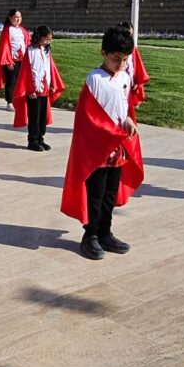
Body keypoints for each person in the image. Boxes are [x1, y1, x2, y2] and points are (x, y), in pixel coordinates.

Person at [61, 25, 144, 260]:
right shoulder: (94, 79)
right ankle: (90, 236)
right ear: (103, 53)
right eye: (116, 59)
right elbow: (89, 116)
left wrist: (127, 121)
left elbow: (123, 108)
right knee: (95, 194)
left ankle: (106, 232)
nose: (121, 64)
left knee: (110, 193)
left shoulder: (125, 78)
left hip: (117, 147)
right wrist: (109, 133)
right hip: (97, 149)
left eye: (125, 60)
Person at [12, 25, 65, 151]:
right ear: (39, 37)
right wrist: (30, 90)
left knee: (42, 115)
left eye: (50, 40)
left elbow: (49, 69)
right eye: (46, 39)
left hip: (45, 88)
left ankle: (40, 138)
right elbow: (26, 72)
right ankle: (32, 140)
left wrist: (52, 84)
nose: (48, 42)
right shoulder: (30, 51)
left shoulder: (46, 51)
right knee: (34, 116)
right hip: (34, 90)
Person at [0, 9, 31, 111]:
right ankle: (9, 102)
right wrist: (8, 61)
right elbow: (4, 47)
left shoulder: (23, 30)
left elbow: (28, 44)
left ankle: (18, 99)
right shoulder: (7, 30)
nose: (18, 19)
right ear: (10, 18)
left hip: (22, 60)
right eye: (15, 17)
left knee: (21, 80)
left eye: (19, 17)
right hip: (12, 60)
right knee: (11, 81)